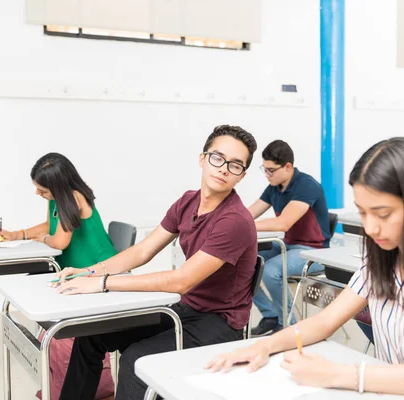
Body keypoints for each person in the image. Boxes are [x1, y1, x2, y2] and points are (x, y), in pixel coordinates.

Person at [206, 137, 404, 399]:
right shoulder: (382, 257)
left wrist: (341, 375)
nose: (371, 227)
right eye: (363, 213)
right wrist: (266, 345)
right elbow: (324, 323)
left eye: (383, 213)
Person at [54, 125, 258, 400]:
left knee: (136, 362)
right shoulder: (188, 201)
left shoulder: (234, 220)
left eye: (235, 165)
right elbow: (143, 251)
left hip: (219, 324)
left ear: (242, 175)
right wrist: (91, 271)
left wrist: (102, 284)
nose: (223, 169)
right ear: (202, 158)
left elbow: (181, 280)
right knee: (91, 336)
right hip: (186, 309)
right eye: (217, 158)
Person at [0, 152, 116, 400]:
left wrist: (43, 239)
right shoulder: (59, 198)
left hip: (95, 272)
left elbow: (58, 239)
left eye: (42, 190)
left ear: (57, 187)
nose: (38, 194)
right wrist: (19, 234)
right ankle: (56, 380)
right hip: (74, 271)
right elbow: (51, 226)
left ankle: (66, 385)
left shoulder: (71, 197)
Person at [247, 140, 331, 335]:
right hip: (289, 245)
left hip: (315, 251)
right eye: (264, 170)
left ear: (288, 167)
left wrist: (242, 225)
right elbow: (250, 212)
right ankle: (270, 316)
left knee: (270, 270)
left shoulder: (307, 185)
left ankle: (289, 326)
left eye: (271, 170)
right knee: (242, 265)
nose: (267, 175)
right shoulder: (275, 187)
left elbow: (282, 223)